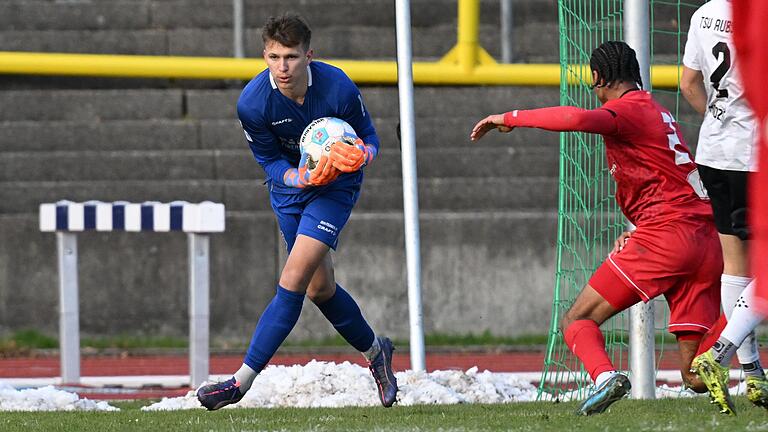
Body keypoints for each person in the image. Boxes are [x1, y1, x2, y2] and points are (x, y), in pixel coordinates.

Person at [470, 41, 723, 416]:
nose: (595, 93)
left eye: (594, 85)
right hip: (706, 240)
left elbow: (574, 119)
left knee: (577, 319)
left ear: (599, 78)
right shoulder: (656, 110)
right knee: (695, 375)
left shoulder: (626, 110)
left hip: (668, 238)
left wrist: (509, 117)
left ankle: (604, 377)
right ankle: (743, 326)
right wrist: (642, 226)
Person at [196, 13, 398, 410]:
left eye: (290, 57)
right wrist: (297, 177)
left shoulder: (337, 85)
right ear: (264, 56)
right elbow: (269, 162)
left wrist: (362, 156)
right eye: (273, 57)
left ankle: (239, 383)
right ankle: (378, 355)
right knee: (318, 289)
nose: (282, 67)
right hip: (291, 190)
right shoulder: (252, 103)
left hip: (335, 188)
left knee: (291, 277)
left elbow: (370, 138)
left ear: (309, 56)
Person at [680, 0, 767, 414]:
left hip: (714, 151)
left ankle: (752, 371)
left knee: (736, 265)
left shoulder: (704, 13)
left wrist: (720, 117)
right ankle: (718, 353)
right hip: (753, 157)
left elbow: (689, 83)